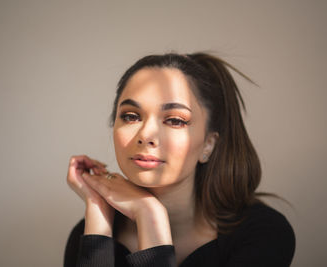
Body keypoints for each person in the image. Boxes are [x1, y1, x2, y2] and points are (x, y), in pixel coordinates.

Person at [64, 52, 295, 267]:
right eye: (131, 116)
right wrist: (98, 216)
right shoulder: (89, 231)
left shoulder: (263, 233)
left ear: (208, 144)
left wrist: (149, 216)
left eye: (175, 120)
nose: (146, 135)